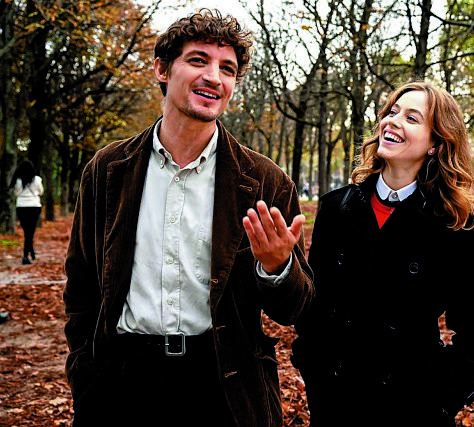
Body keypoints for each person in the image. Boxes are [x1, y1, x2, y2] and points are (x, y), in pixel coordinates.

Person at [63, 9, 313, 427]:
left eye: (227, 68)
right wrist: (84, 371)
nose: (214, 77)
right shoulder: (108, 169)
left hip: (224, 385)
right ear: (162, 69)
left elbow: (297, 307)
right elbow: (81, 283)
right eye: (198, 60)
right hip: (122, 382)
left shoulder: (266, 182)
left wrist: (277, 269)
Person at [292, 81, 474, 426]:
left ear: (436, 144)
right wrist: (314, 373)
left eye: (412, 118)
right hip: (336, 399)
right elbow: (315, 306)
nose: (393, 121)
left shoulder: (457, 224)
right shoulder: (337, 208)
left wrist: (443, 400)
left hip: (411, 404)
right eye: (392, 112)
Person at [10, 160, 43, 265]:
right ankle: (25, 255)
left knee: (26, 232)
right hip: (34, 206)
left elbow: (16, 193)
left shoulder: (17, 181)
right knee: (30, 232)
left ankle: (30, 251)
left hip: (21, 207)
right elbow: (41, 192)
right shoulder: (37, 179)